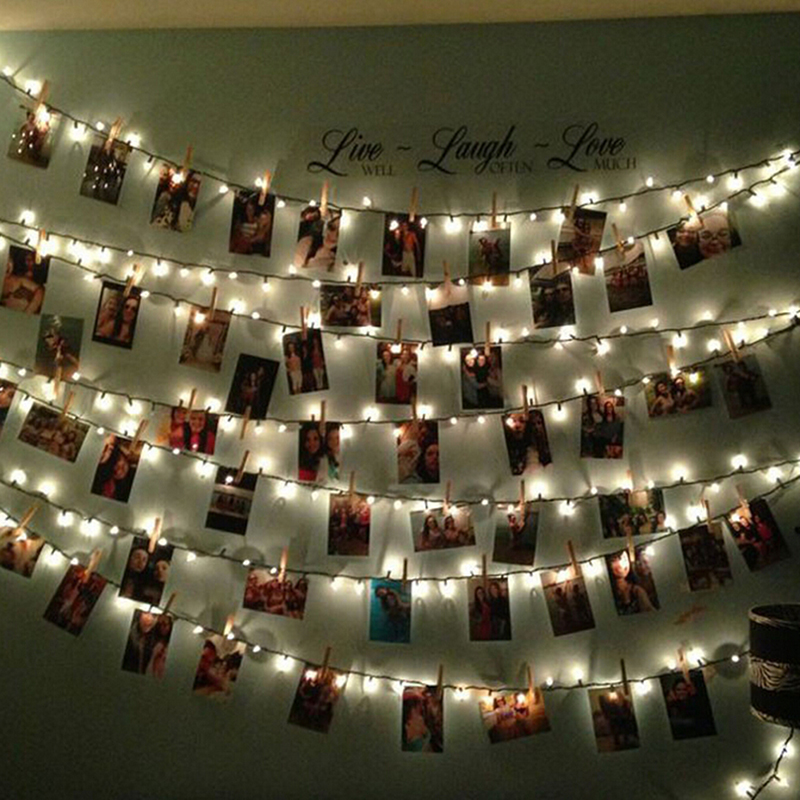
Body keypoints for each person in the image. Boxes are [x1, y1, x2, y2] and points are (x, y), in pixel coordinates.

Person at [1, 248, 47, 314]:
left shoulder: (18, 280)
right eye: (28, 260)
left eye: (9, 261)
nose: (7, 265)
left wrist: (28, 312)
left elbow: (40, 291)